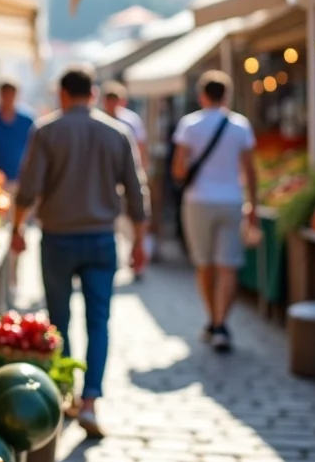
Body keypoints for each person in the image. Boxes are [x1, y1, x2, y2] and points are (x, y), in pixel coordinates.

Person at [11, 65, 148, 436]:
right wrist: (139, 241)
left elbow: (28, 188)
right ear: (94, 93)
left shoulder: (47, 131)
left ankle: (67, 391)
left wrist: (18, 227)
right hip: (103, 239)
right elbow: (136, 192)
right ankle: (90, 401)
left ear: (62, 94)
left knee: (59, 319)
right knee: (99, 321)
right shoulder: (117, 133)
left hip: (57, 239)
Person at [171, 70, 257, 353]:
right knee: (228, 265)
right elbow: (250, 171)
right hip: (232, 199)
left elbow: (179, 170)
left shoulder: (189, 125)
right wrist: (253, 206)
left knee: (204, 264)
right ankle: (221, 323)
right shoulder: (240, 126)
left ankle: (212, 319)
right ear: (227, 95)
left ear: (202, 95)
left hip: (198, 201)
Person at [101, 81, 150, 277]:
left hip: (127, 177)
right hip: (107, 181)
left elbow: (141, 148)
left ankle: (136, 260)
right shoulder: (99, 121)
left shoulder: (131, 121)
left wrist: (141, 173)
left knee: (132, 221)